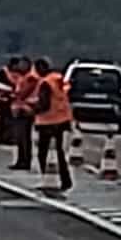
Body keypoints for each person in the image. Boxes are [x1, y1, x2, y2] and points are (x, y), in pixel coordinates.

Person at [33, 56, 73, 192]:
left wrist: (33, 109)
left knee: (43, 153)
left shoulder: (46, 83)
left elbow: (44, 104)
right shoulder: (58, 79)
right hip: (62, 119)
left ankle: (48, 178)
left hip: (48, 121)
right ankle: (65, 180)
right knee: (60, 153)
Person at [9, 56, 37, 171]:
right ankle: (20, 160)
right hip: (19, 109)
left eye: (22, 64)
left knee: (24, 138)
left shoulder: (31, 78)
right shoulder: (23, 77)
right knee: (20, 138)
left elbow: (22, 93)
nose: (19, 66)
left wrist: (16, 94)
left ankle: (25, 161)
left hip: (25, 110)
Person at [0, 54, 21, 148]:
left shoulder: (18, 73)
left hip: (14, 99)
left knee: (12, 120)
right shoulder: (3, 72)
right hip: (3, 98)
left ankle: (11, 137)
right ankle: (2, 138)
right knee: (4, 119)